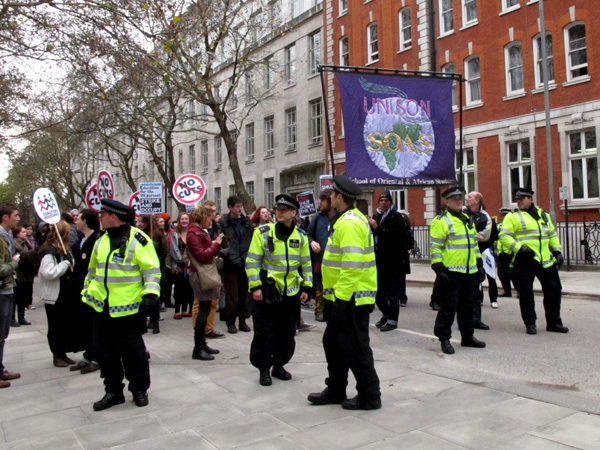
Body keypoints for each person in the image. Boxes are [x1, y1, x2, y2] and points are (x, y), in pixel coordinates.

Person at [308, 175, 381, 411]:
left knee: (356, 347)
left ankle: (370, 396)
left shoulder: (349, 223)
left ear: (339, 197)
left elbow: (352, 265)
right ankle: (336, 388)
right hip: (341, 296)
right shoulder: (345, 219)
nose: (328, 197)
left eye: (330, 194)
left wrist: (340, 299)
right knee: (334, 343)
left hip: (351, 298)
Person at [82, 199, 161, 411]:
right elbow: (92, 271)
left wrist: (150, 296)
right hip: (102, 308)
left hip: (128, 308)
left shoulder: (139, 239)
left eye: (102, 214)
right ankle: (113, 391)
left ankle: (139, 389)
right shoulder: (101, 240)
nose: (99, 218)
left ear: (113, 217)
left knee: (133, 352)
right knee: (104, 352)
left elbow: (152, 271)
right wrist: (87, 295)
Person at [246, 194, 312, 386]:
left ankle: (279, 365)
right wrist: (256, 286)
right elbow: (252, 262)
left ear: (294, 212)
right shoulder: (263, 233)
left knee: (287, 333)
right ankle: (264, 368)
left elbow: (306, 264)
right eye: (277, 209)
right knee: (264, 333)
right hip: (267, 292)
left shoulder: (300, 236)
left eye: (284, 209)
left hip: (290, 294)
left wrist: (306, 285)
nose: (279, 212)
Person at [498, 187, 568, 335]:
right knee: (526, 293)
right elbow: (504, 237)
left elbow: (552, 234)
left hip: (545, 260)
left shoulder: (543, 215)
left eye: (521, 198)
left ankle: (554, 322)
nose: (518, 201)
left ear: (530, 200)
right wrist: (519, 248)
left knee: (554, 291)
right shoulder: (513, 216)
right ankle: (530, 323)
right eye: (517, 199)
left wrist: (557, 251)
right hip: (524, 260)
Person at [430, 186, 486, 355]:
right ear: (446, 201)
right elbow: (435, 246)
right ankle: (444, 338)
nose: (458, 201)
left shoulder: (466, 219)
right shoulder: (441, 221)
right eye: (454, 199)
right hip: (451, 271)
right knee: (448, 307)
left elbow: (474, 244)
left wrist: (479, 264)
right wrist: (439, 269)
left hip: (469, 271)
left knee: (468, 306)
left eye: (460, 198)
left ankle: (468, 337)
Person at [368, 190, 412, 332]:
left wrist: (377, 227)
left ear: (391, 202)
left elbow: (395, 237)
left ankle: (393, 319)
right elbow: (374, 236)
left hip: (394, 260)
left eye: (386, 200)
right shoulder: (377, 216)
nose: (383, 203)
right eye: (381, 200)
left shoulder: (396, 217)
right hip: (379, 259)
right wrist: (371, 227)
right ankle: (386, 314)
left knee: (392, 292)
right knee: (379, 292)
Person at [187, 203, 224, 361]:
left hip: (202, 273)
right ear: (203, 218)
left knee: (206, 307)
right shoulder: (194, 234)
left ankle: (202, 343)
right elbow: (202, 255)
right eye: (209, 218)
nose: (211, 221)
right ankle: (198, 347)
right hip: (200, 274)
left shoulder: (199, 232)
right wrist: (216, 244)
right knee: (203, 309)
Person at [37, 221, 75, 367]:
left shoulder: (63, 250)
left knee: (63, 325)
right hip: (54, 294)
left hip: (64, 292)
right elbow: (49, 272)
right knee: (54, 326)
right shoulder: (49, 251)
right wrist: (65, 264)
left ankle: (62, 353)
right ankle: (56, 354)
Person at [69, 209, 103, 374]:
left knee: (94, 324)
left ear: (86, 221)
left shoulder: (98, 239)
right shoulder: (79, 241)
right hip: (79, 288)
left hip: (93, 289)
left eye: (79, 218)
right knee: (84, 323)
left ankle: (97, 356)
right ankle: (88, 354)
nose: (76, 221)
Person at [218, 196, 253, 334]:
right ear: (230, 207)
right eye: (237, 206)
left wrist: (246, 256)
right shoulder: (223, 222)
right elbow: (224, 242)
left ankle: (243, 320)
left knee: (244, 293)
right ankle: (230, 321)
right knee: (231, 295)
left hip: (244, 261)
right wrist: (230, 256)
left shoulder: (246, 222)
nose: (240, 209)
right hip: (230, 262)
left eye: (241, 206)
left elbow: (250, 240)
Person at [465, 191, 496, 330]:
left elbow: (485, 236)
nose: (467, 198)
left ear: (477, 200)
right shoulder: (462, 214)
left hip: (477, 257)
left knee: (476, 288)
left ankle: (476, 319)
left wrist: (468, 235)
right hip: (461, 257)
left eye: (470, 197)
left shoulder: (485, 217)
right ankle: (463, 318)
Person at [0, 204, 21, 388]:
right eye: (15, 215)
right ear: (5, 217)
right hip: (1, 290)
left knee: (2, 334)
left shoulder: (6, 236)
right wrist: (14, 263)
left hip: (6, 288)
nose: (18, 219)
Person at [306, 192, 335, 322]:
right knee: (320, 287)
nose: (320, 204)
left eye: (322, 201)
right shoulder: (317, 217)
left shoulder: (339, 218)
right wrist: (312, 242)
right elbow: (308, 234)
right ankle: (319, 310)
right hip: (320, 258)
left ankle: (333, 309)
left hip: (335, 259)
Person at [204, 201, 225, 339]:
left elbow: (224, 243)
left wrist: (222, 253)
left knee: (213, 299)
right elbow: (202, 252)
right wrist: (215, 244)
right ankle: (202, 330)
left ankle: (208, 328)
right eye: (211, 212)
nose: (214, 215)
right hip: (204, 268)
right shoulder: (198, 231)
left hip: (216, 264)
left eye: (215, 211)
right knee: (201, 302)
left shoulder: (217, 227)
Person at [170, 213, 194, 320]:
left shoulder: (191, 233)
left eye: (186, 219)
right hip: (179, 266)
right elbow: (173, 249)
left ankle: (185, 309)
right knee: (179, 288)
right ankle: (177, 310)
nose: (184, 221)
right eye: (182, 219)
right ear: (179, 221)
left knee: (188, 288)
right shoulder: (175, 234)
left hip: (190, 265)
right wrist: (180, 260)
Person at [12, 226, 37, 326]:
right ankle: (12, 318)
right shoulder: (14, 243)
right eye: (22, 232)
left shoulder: (26, 242)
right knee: (16, 296)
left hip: (26, 272)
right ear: (17, 234)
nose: (25, 233)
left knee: (22, 297)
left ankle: (21, 317)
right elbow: (22, 254)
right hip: (18, 273)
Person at [496, 207, 515, 298]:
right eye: (502, 215)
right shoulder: (499, 226)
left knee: (512, 273)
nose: (503, 217)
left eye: (505, 215)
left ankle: (518, 290)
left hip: (510, 252)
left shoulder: (512, 225)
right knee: (502, 273)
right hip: (500, 252)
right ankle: (507, 291)